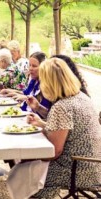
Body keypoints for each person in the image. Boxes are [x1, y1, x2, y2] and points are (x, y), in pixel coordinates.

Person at [25, 58, 101, 198]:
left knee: (26, 171)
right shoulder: (82, 97)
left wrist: (29, 154)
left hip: (76, 170)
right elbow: (67, 132)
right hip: (95, 166)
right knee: (27, 166)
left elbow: (54, 152)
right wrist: (43, 124)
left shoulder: (62, 107)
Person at [1, 52, 52, 118]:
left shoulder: (47, 86)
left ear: (43, 67)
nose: (30, 68)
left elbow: (49, 115)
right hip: (25, 114)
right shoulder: (34, 80)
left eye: (34, 66)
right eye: (29, 65)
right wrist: (10, 91)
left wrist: (25, 98)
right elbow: (25, 93)